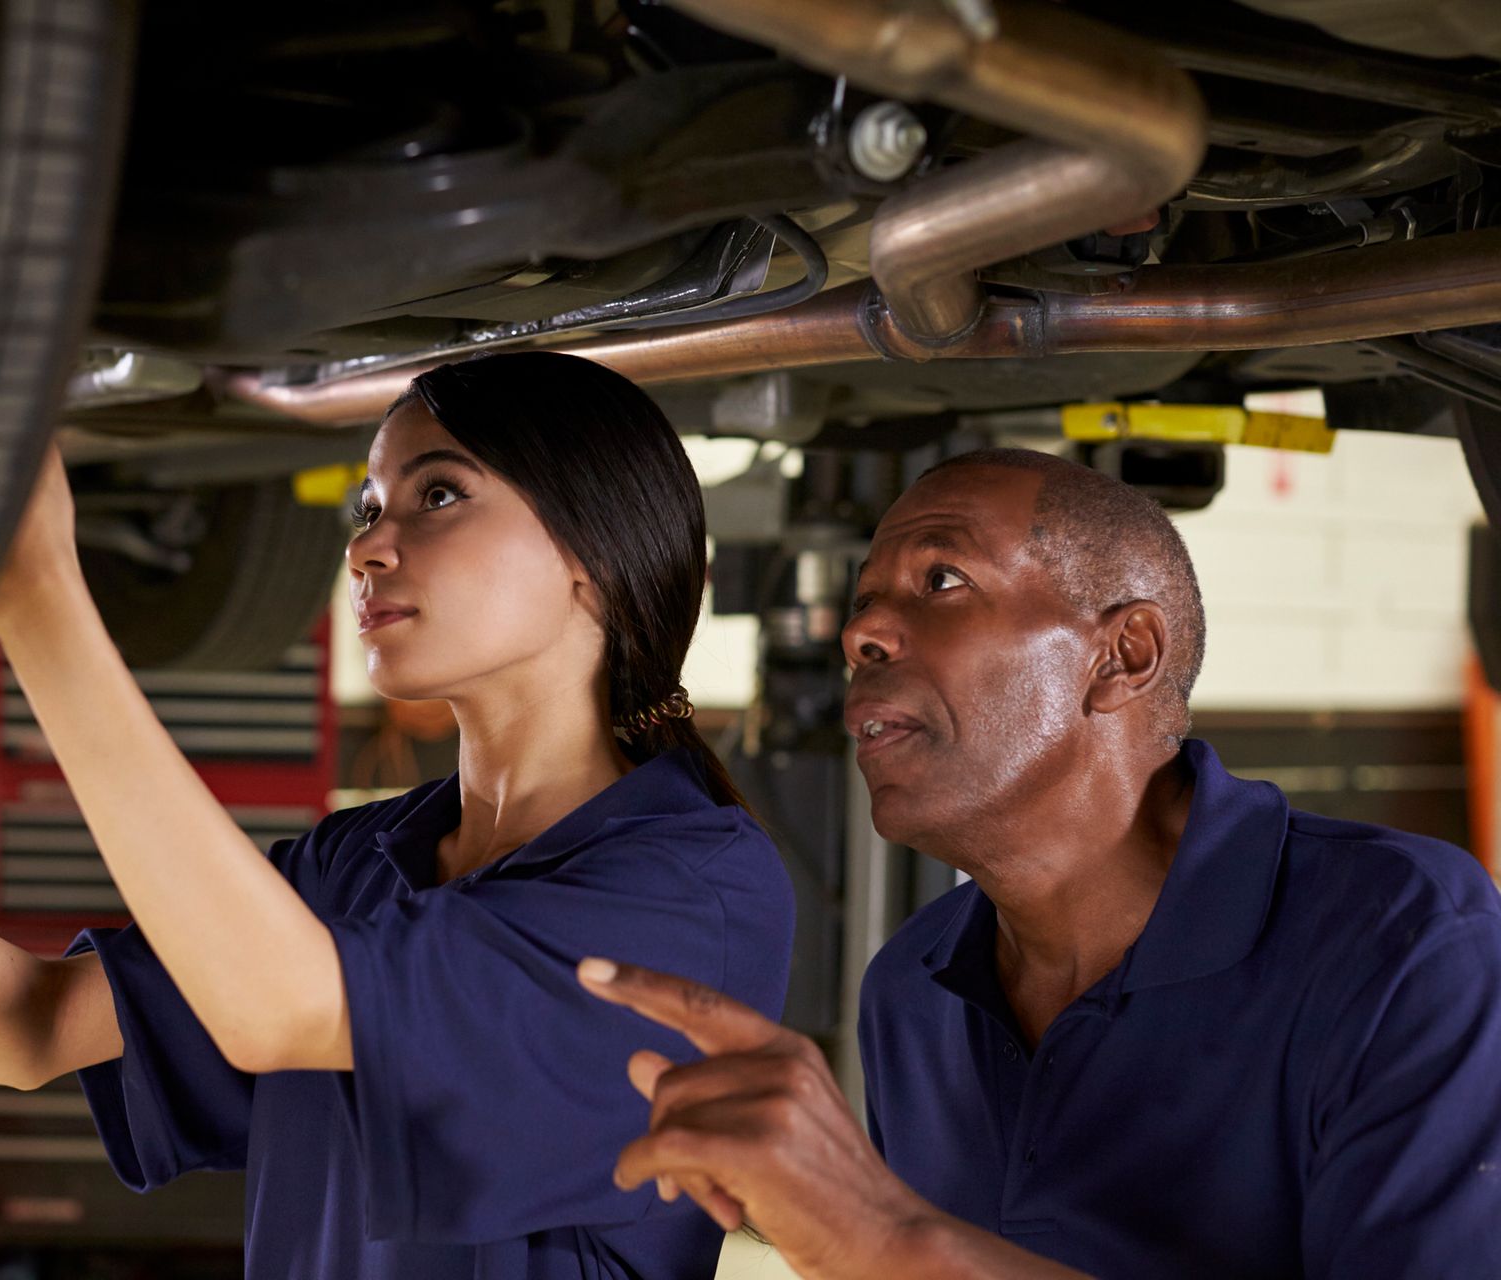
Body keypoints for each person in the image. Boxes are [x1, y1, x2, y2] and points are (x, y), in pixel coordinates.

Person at [0, 351, 795, 1278]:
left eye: (438, 494)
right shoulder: (361, 860)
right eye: (369, 506)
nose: (368, 547)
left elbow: (288, 1008)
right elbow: (27, 1027)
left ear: (596, 555)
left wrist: (40, 588)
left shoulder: (688, 889)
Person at [577, 447, 1501, 1279]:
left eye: (940, 579)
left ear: (1123, 655)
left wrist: (887, 1240)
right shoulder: (913, 988)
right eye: (863, 604)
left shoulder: (1408, 941)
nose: (860, 637)